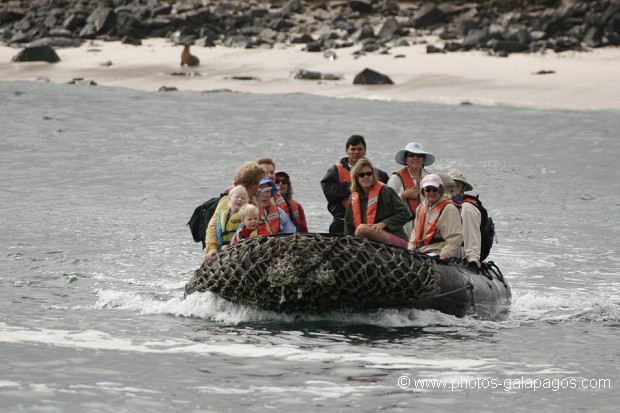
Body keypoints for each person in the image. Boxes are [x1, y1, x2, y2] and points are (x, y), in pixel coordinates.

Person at [321, 135, 389, 234]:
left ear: (365, 151)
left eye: (359, 149)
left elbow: (389, 200)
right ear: (346, 151)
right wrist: (354, 185)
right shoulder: (335, 171)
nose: (356, 152)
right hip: (341, 223)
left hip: (371, 225)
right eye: (353, 149)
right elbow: (329, 193)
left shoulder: (380, 175)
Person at [204, 162, 265, 261]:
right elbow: (212, 226)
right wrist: (211, 249)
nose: (259, 187)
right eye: (258, 183)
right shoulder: (227, 201)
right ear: (251, 184)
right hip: (227, 251)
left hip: (246, 250)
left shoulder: (252, 200)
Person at [344, 158, 410, 248]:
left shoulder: (385, 191)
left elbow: (405, 213)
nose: (366, 177)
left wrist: (383, 224)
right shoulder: (353, 198)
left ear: (373, 175)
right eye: (361, 175)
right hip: (367, 241)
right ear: (356, 178)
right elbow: (349, 226)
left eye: (369, 174)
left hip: (396, 239)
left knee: (361, 229)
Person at [387, 142, 435, 240]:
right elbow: (386, 202)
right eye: (411, 155)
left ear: (423, 160)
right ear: (406, 159)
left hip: (427, 224)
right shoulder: (395, 178)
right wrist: (403, 195)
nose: (415, 158)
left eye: (419, 156)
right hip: (404, 226)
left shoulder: (431, 178)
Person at [410, 173, 463, 260]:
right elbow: (413, 238)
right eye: (428, 190)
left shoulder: (449, 209)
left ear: (441, 190)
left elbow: (455, 237)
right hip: (421, 251)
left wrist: (444, 255)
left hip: (438, 252)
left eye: (435, 189)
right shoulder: (420, 208)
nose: (431, 193)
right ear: (423, 191)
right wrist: (409, 253)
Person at [449, 170, 482, 269]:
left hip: (459, 252)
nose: (452, 189)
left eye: (456, 186)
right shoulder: (437, 205)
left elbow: (472, 234)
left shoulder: (467, 208)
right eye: (449, 186)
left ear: (462, 189)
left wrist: (473, 257)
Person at [215, 185, 248, 250]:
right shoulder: (222, 213)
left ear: (246, 201)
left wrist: (232, 246)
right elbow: (219, 232)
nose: (239, 199)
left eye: (243, 198)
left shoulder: (247, 213)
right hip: (224, 246)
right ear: (230, 198)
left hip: (240, 246)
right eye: (236, 197)